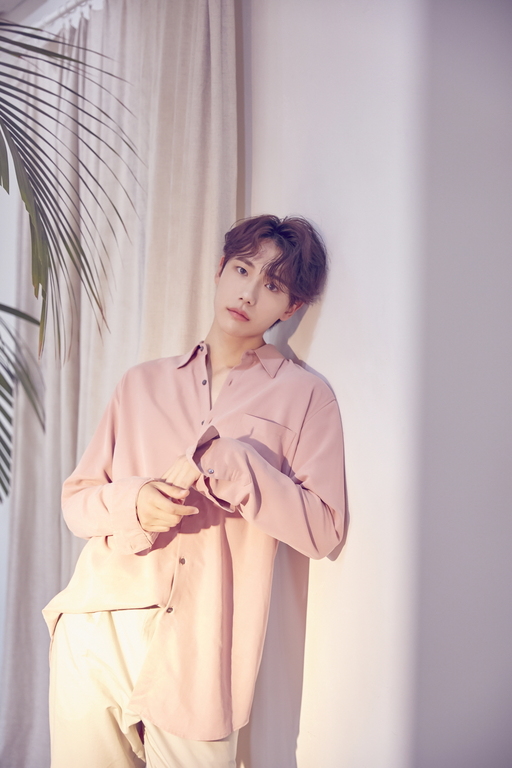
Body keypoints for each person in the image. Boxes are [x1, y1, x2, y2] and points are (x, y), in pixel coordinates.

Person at [43, 214, 347, 768]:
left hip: (204, 651)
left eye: (273, 285)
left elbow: (324, 530)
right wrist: (135, 501)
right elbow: (77, 502)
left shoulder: (306, 396)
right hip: (99, 623)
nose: (248, 293)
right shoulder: (141, 383)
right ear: (220, 270)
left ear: (292, 307)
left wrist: (240, 466)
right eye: (243, 270)